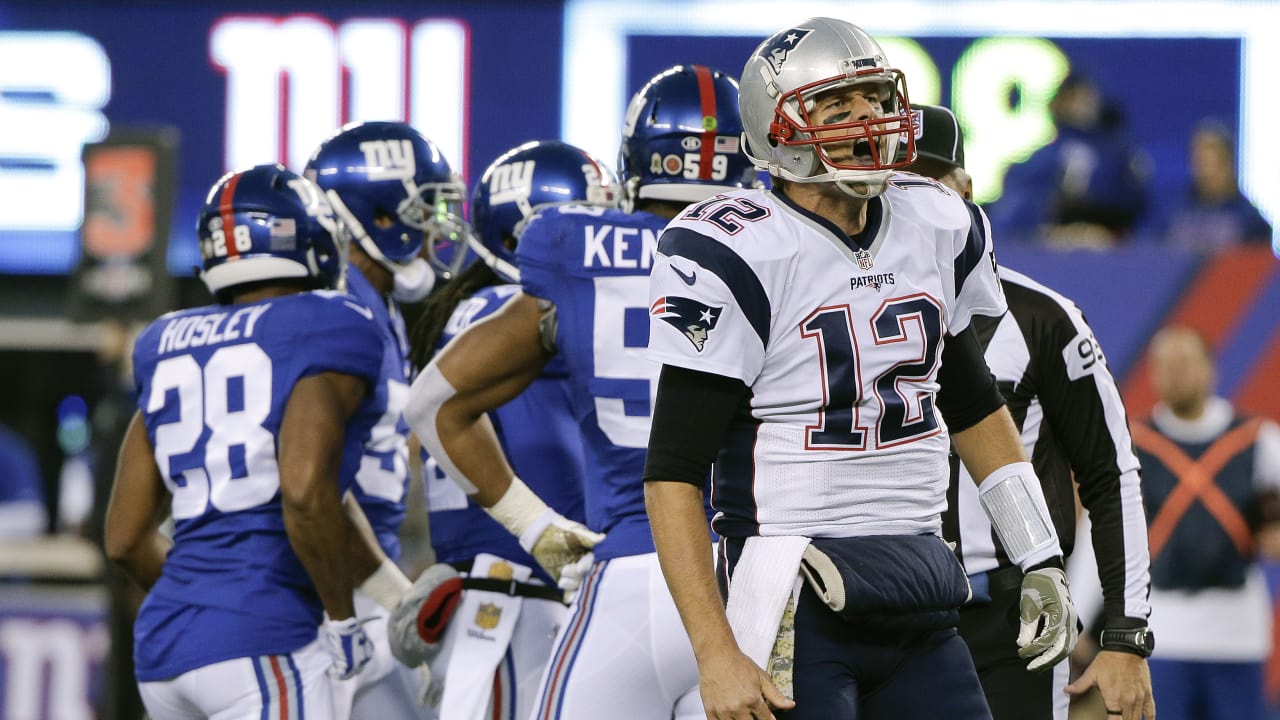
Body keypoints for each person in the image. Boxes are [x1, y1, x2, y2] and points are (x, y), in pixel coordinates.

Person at [641, 19, 1079, 720]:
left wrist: (1038, 554)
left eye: (876, 100)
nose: (867, 121)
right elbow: (672, 474)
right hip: (788, 590)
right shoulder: (737, 249)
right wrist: (715, 651)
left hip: (917, 583)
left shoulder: (936, 221)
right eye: (837, 107)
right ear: (776, 126)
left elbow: (971, 407)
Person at [401, 64, 760, 719]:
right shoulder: (788, 246)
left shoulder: (575, 252)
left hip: (630, 573)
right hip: (760, 579)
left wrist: (535, 529)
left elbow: (430, 404)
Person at [103, 164, 380, 718]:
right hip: (263, 638)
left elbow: (125, 538)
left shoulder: (165, 342)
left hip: (162, 652)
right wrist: (343, 620)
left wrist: (201, 598)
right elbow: (304, 492)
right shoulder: (328, 324)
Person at [909, 103, 1156, 720]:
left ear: (966, 189)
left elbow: (1110, 473)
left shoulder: (1043, 318)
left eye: (929, 182)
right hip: (873, 606)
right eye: (894, 184)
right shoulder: (829, 315)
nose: (912, 202)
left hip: (1006, 616)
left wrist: (1125, 634)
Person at [399, 139, 617, 719]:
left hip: (497, 593)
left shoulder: (470, 311)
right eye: (594, 221)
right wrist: (537, 527)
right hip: (518, 604)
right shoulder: (521, 313)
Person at [303, 119, 468, 716]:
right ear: (379, 218)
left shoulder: (375, 305)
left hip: (355, 581)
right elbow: (308, 485)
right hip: (328, 595)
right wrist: (395, 596)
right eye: (425, 209)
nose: (438, 227)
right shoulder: (343, 309)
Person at [1131, 325, 1280, 720]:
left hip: (1238, 635)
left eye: (1185, 363)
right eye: (1165, 365)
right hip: (1164, 633)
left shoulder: (1260, 441)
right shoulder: (1133, 445)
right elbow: (1105, 537)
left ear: (1211, 369)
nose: (1175, 374)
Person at [988, 72, 1150, 249]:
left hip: (1110, 250)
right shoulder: (1039, 160)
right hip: (1044, 249)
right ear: (1058, 103)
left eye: (1087, 98)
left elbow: (1141, 213)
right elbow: (1007, 219)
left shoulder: (1117, 155)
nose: (1082, 105)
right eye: (1073, 97)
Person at [1160, 119, 1273, 252]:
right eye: (1196, 150)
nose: (1200, 157)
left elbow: (1260, 267)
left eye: (1209, 148)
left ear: (1228, 159)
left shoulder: (1250, 221)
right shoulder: (1173, 214)